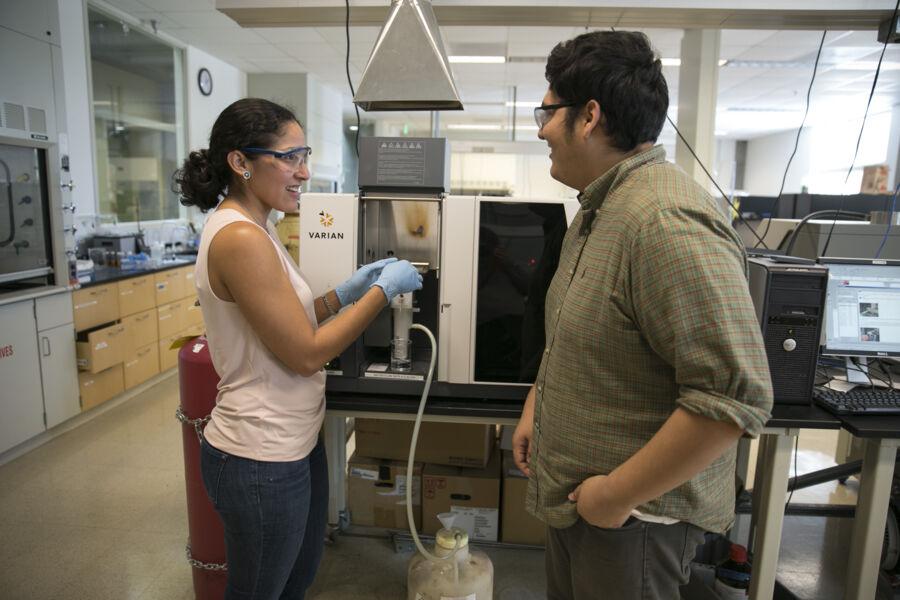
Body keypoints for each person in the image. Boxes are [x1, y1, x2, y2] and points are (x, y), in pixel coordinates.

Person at [511, 31, 774, 599]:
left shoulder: (662, 219)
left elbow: (733, 397)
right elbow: (582, 335)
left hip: (634, 523)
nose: (540, 129)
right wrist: (540, 402)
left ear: (589, 116)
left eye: (548, 111)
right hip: (581, 501)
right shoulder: (598, 211)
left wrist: (617, 495)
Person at [173, 97, 421, 600]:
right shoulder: (240, 238)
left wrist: (344, 293)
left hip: (291, 442)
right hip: (259, 455)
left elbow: (286, 322)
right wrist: (380, 293)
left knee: (296, 580)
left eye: (304, 155)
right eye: (289, 157)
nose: (303, 172)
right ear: (240, 163)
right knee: (261, 592)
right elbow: (305, 353)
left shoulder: (257, 227)